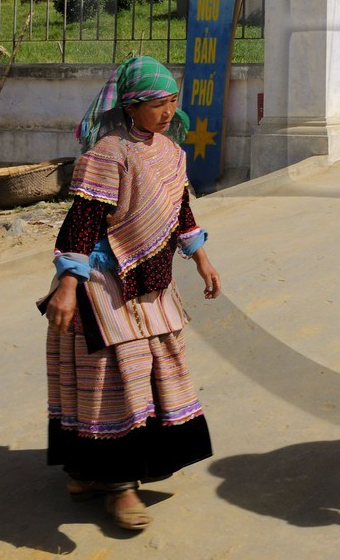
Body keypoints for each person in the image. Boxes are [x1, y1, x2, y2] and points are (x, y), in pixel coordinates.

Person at [42, 55, 222, 532]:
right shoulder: (108, 153)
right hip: (103, 283)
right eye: (155, 104)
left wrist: (200, 256)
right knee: (114, 379)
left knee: (153, 373)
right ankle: (118, 486)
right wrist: (66, 285)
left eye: (171, 103)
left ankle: (90, 472)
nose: (166, 112)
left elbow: (179, 209)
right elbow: (80, 224)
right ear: (130, 106)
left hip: (152, 283)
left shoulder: (171, 153)